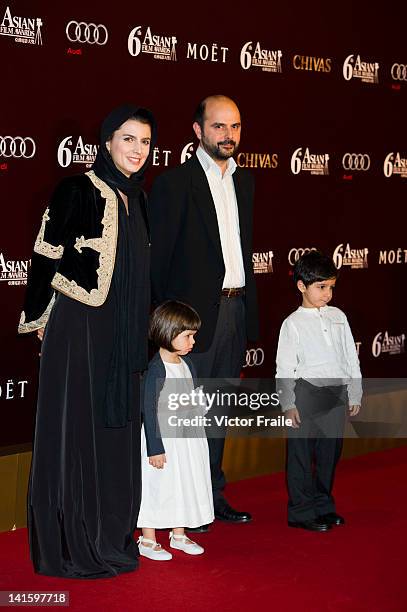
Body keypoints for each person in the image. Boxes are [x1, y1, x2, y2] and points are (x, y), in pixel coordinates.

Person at [18, 104, 157, 578]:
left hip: (121, 334)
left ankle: (108, 533)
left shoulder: (138, 198)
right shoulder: (78, 188)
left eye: (144, 141)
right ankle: (72, 541)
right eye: (128, 139)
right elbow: (45, 251)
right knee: (75, 432)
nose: (137, 149)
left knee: (113, 433)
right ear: (107, 141)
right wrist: (39, 317)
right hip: (78, 329)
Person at [149, 95, 258, 530]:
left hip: (234, 310)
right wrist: (166, 326)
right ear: (198, 131)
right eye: (218, 126)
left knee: (218, 414)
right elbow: (160, 263)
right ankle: (177, 508)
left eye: (234, 126)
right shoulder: (174, 184)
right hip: (189, 321)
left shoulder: (244, 182)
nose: (227, 135)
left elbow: (241, 253)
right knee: (181, 418)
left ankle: (211, 497)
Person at [276, 250, 362, 532]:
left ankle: (324, 506)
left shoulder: (338, 316)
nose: (328, 294)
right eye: (321, 287)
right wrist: (288, 403)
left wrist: (355, 392)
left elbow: (351, 356)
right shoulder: (292, 324)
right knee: (301, 455)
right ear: (301, 286)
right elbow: (285, 368)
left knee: (329, 454)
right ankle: (300, 512)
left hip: (336, 394)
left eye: (331, 287)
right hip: (305, 395)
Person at [137, 301, 214, 560]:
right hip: (163, 441)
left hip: (187, 440)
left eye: (193, 336)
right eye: (188, 336)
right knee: (157, 486)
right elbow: (149, 411)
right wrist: (155, 448)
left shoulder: (187, 364)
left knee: (183, 483)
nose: (193, 342)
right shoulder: (155, 369)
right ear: (168, 333)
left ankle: (178, 534)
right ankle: (147, 540)